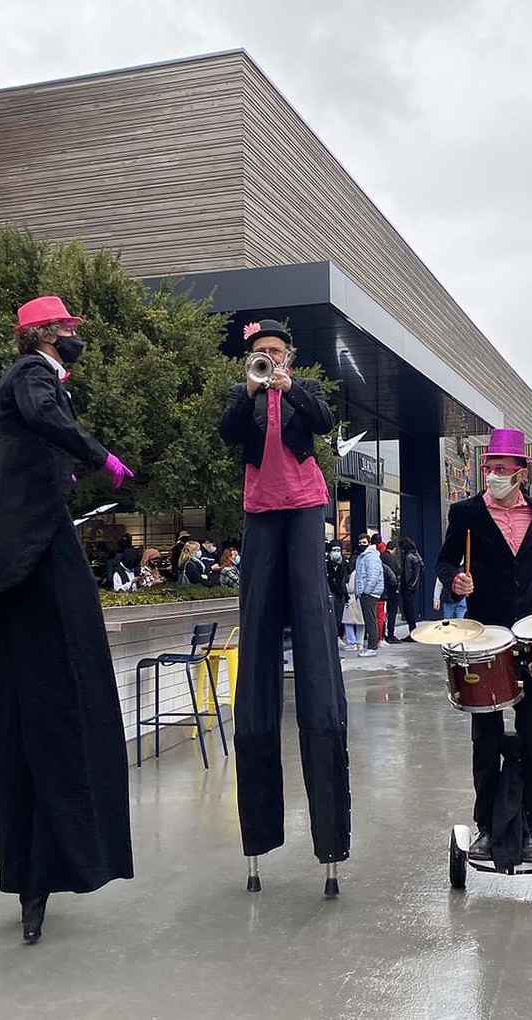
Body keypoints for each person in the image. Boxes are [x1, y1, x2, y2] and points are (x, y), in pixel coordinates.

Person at [0, 295, 134, 942]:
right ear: (44, 333)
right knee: (67, 676)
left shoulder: (21, 382)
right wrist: (98, 457)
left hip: (23, 544)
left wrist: (34, 469)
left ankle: (47, 864)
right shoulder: (33, 374)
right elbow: (38, 416)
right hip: (32, 547)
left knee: (40, 689)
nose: (75, 337)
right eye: (68, 328)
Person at [218, 318, 350, 886]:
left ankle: (329, 833)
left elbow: (324, 424)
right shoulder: (243, 394)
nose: (267, 358)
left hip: (303, 506)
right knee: (258, 621)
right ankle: (259, 830)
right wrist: (250, 392)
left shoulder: (304, 391)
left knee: (311, 614)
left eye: (274, 352)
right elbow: (228, 435)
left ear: (288, 354)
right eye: (259, 353)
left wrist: (290, 387)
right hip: (259, 510)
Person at [436, 428, 532, 864]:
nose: (493, 475)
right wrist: (454, 581)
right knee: (486, 734)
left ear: (520, 473)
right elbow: (446, 561)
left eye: (501, 468)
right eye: (489, 468)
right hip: (486, 637)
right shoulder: (466, 513)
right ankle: (484, 827)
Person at [353, 535, 384, 657]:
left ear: (369, 543)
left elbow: (373, 575)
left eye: (364, 542)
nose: (361, 544)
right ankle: (372, 645)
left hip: (369, 593)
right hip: (366, 592)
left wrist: (366, 591)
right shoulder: (364, 556)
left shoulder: (370, 556)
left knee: (370, 620)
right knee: (369, 619)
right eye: (360, 542)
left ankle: (372, 647)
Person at [399, 536, 425, 641]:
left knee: (408, 609)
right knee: (410, 609)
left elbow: (407, 573)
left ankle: (412, 632)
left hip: (408, 586)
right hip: (414, 586)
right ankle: (413, 631)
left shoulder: (408, 557)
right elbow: (422, 569)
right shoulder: (416, 555)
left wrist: (405, 583)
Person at [326, 540, 349, 639]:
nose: (337, 552)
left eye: (338, 550)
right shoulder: (326, 564)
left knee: (339, 618)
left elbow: (344, 579)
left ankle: (339, 636)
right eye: (334, 550)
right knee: (332, 618)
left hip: (341, 594)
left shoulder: (343, 564)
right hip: (331, 593)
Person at [381, 540, 402, 644]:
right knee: (392, 612)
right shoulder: (393, 560)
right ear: (394, 549)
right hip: (392, 590)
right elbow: (396, 575)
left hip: (382, 590)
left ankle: (381, 633)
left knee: (382, 613)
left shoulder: (381, 557)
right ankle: (391, 634)